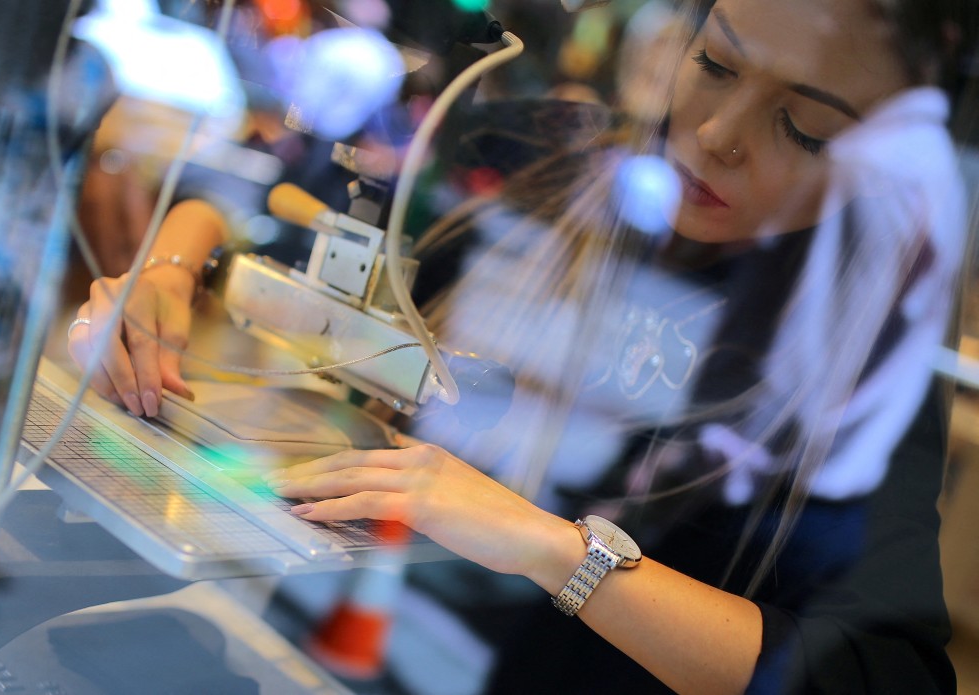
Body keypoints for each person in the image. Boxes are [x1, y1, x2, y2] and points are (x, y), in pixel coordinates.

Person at [67, 0, 976, 692]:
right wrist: (171, 273)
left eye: (804, 128)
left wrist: (551, 548)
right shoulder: (543, 165)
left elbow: (885, 673)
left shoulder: (853, 364)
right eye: (715, 64)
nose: (716, 136)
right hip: (325, 649)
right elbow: (272, 210)